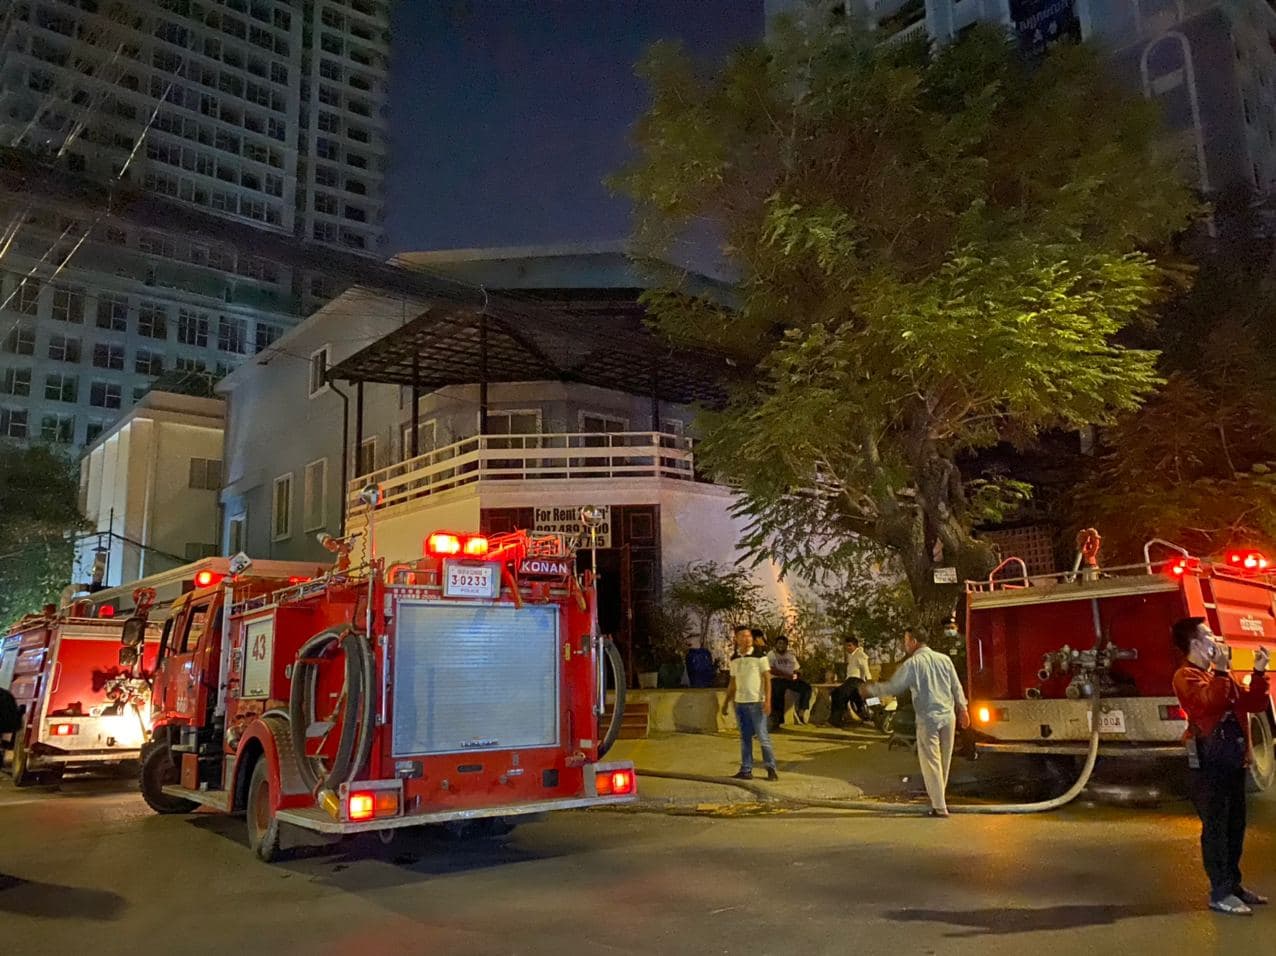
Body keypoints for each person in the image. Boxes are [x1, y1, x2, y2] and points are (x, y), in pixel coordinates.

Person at [1171, 617, 1270, 915]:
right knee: (1216, 827)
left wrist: (1258, 672)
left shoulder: (1215, 675)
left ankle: (1233, 885)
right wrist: (1223, 671)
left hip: (1232, 761)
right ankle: (1220, 892)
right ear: (1195, 643)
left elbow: (1253, 704)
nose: (1215, 638)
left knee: (1234, 826)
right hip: (1209, 764)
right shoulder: (1186, 676)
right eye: (1209, 635)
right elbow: (1209, 702)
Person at [863, 627, 969, 816]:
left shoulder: (913, 663)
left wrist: (870, 690)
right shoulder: (944, 659)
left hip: (928, 718)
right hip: (948, 716)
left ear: (914, 641)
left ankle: (939, 806)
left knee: (931, 762)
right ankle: (939, 800)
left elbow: (894, 687)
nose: (905, 645)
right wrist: (963, 709)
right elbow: (956, 686)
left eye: (906, 641)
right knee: (944, 761)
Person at [720, 625, 778, 781]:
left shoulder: (760, 656)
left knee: (762, 737)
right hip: (740, 703)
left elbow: (767, 679)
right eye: (743, 636)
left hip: (757, 703)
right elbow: (732, 683)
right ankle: (746, 769)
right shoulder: (735, 659)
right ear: (737, 639)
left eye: (749, 636)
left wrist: (767, 700)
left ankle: (771, 768)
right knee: (745, 738)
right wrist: (726, 703)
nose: (747, 639)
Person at [767, 636, 813, 726]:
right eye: (779, 643)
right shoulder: (771, 654)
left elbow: (797, 669)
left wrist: (796, 675)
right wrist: (785, 675)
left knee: (806, 687)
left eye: (784, 644)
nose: (781, 645)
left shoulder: (790, 655)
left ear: (786, 645)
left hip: (789, 679)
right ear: (776, 645)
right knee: (777, 691)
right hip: (777, 679)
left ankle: (801, 710)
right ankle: (777, 719)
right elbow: (771, 669)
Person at [829, 636, 873, 728]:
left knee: (839, 694)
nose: (847, 648)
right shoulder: (853, 656)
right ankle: (845, 717)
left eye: (850, 645)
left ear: (855, 646)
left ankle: (836, 719)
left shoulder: (860, 654)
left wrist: (869, 680)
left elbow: (865, 668)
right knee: (838, 694)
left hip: (855, 681)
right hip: (851, 681)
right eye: (846, 646)